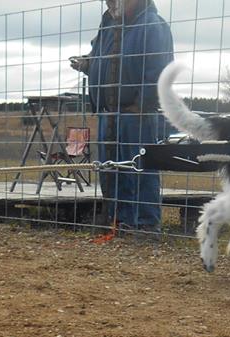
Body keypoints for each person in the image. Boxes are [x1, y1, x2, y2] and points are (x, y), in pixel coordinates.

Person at [71, 0, 174, 232]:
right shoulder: (108, 25)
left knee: (139, 169)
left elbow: (160, 70)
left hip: (136, 115)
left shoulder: (152, 25)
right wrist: (87, 63)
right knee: (109, 169)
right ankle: (117, 222)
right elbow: (99, 56)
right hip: (108, 114)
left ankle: (145, 225)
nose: (111, 3)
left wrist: (142, 105)